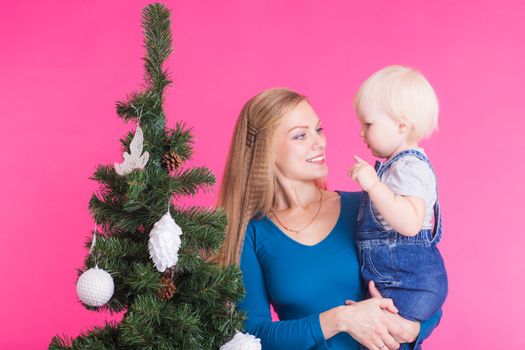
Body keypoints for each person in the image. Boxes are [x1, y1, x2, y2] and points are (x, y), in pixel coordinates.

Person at [216, 88, 441, 349]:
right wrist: (340, 319)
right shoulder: (251, 234)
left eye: (319, 130)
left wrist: (412, 328)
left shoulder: (366, 206)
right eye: (301, 135)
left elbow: (426, 281)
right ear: (264, 150)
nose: (319, 142)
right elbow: (253, 334)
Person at [349, 66, 447, 322]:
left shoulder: (409, 167)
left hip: (408, 283)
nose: (361, 132)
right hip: (394, 280)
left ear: (401, 124)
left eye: (368, 124)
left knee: (375, 333)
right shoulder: (396, 166)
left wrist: (373, 185)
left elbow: (409, 224)